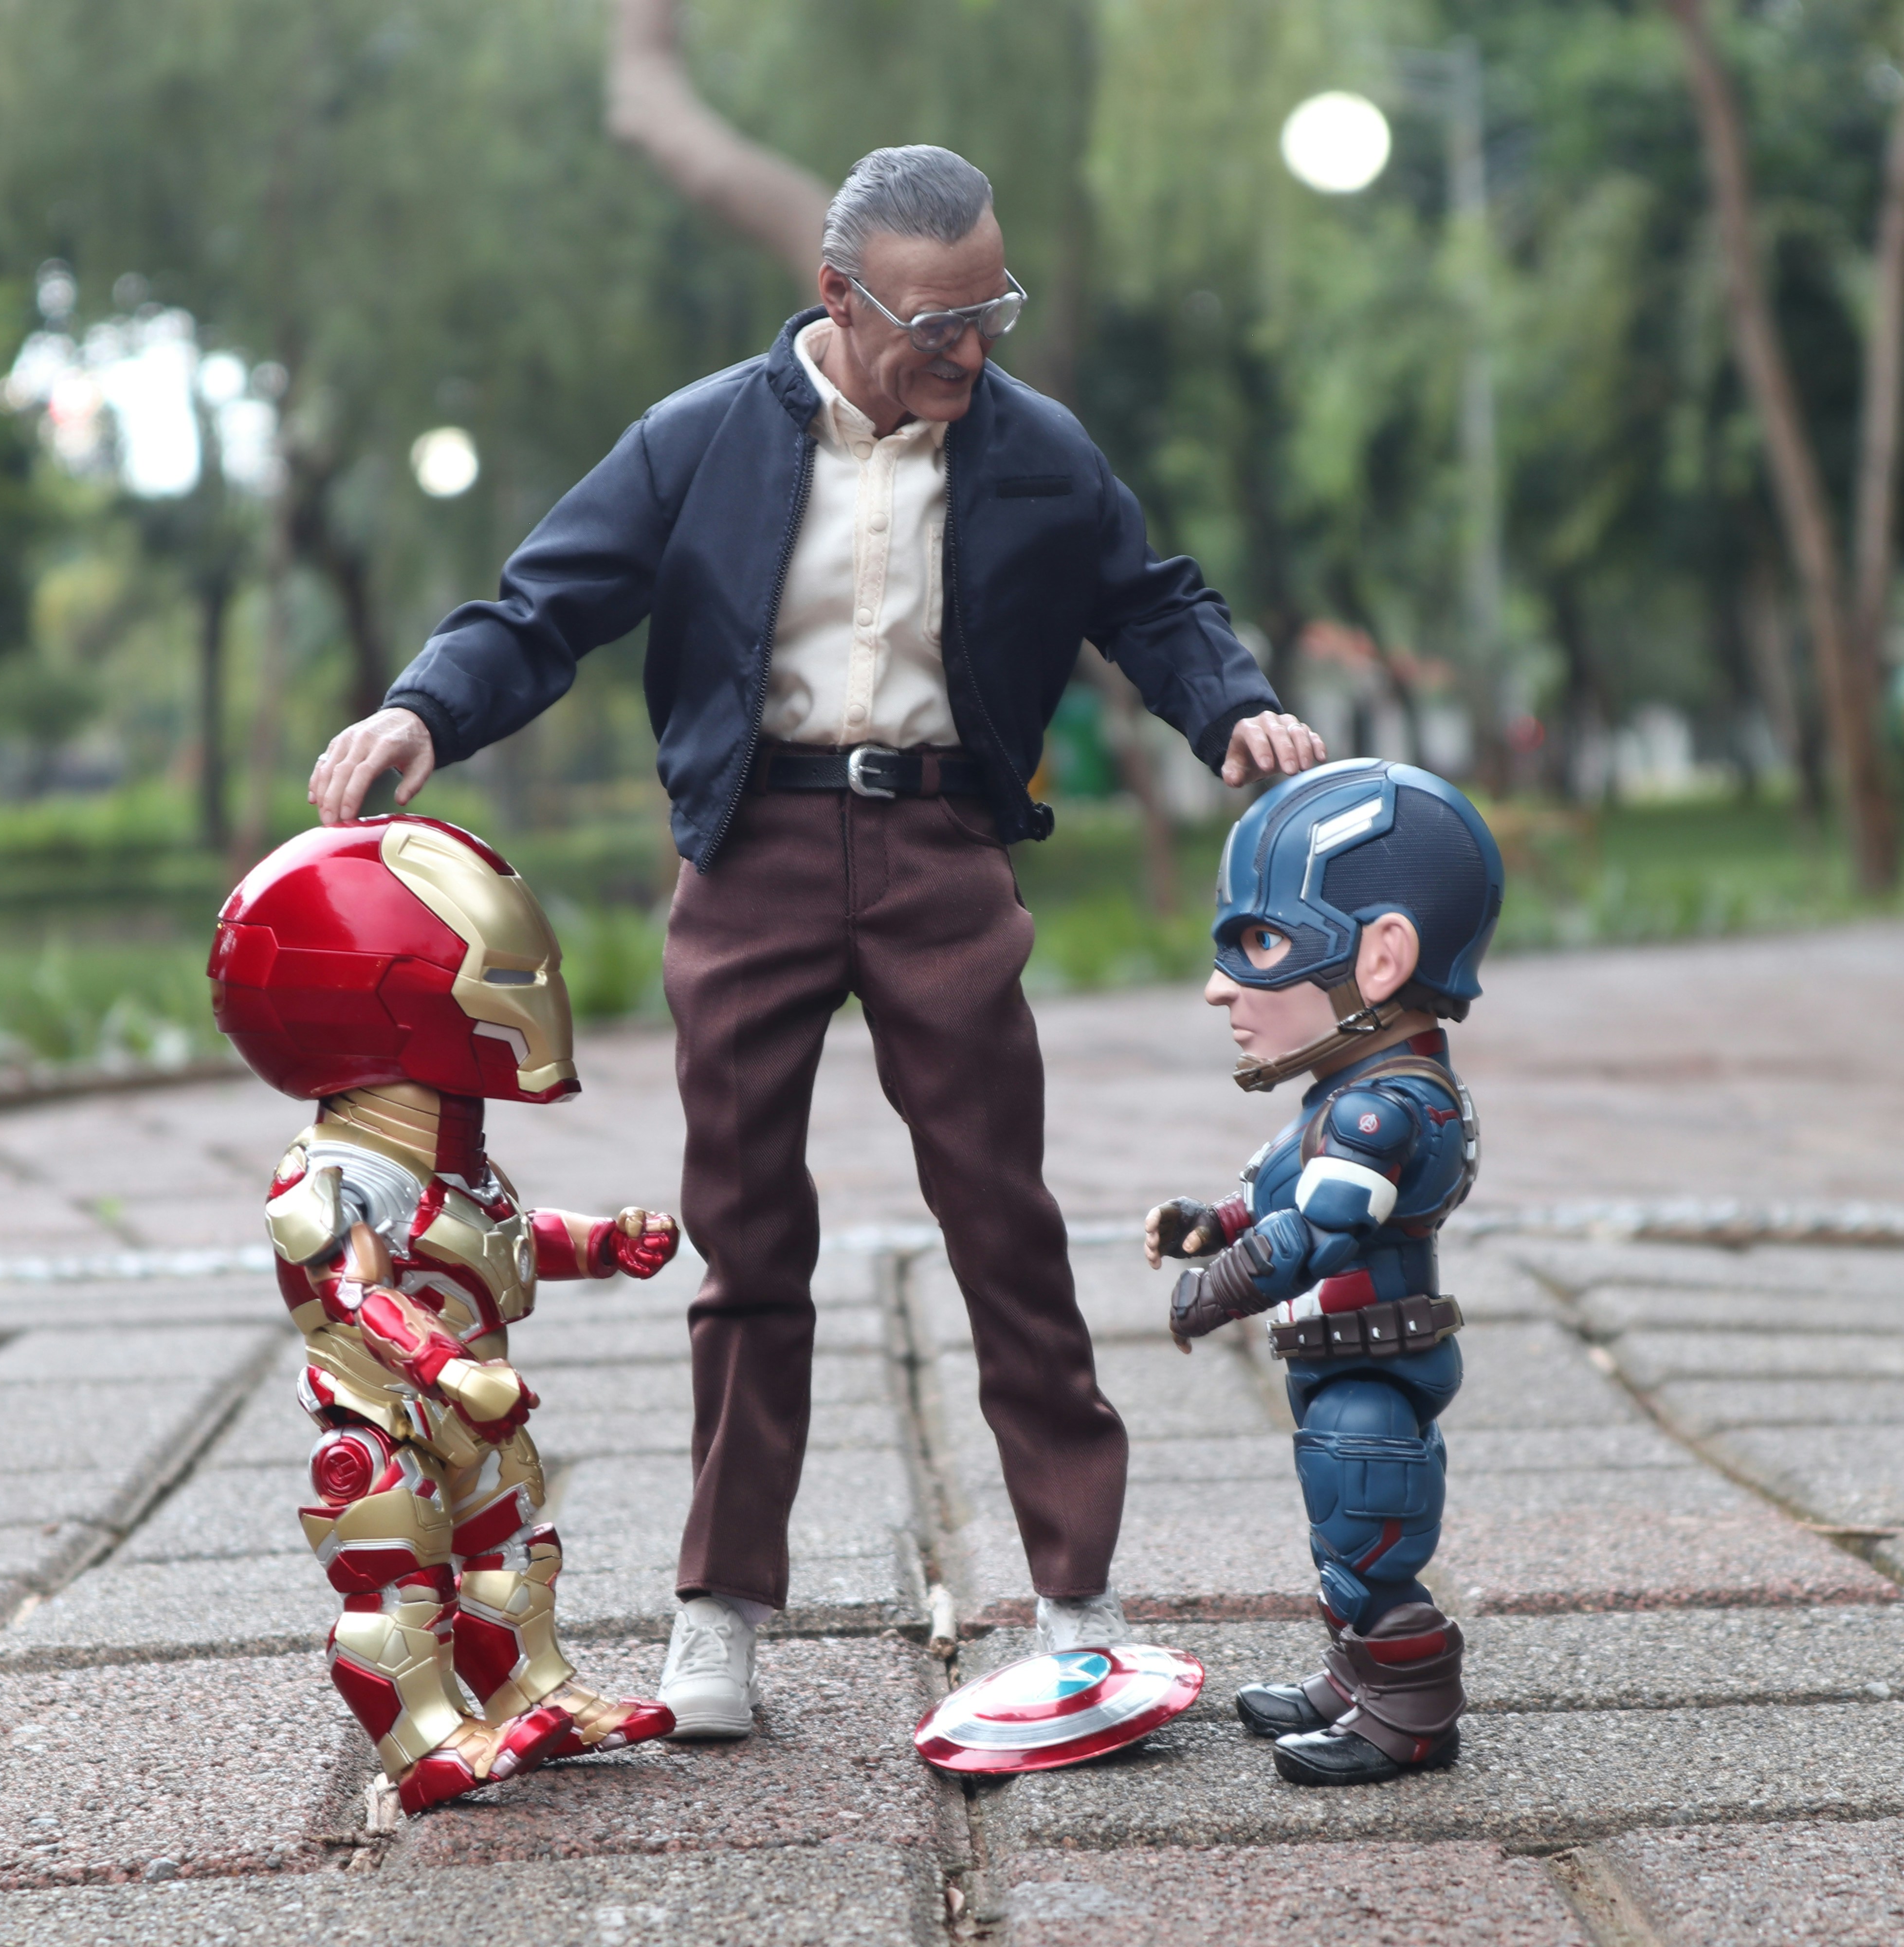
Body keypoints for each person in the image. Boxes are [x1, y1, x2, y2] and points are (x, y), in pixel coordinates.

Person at [305, 144, 1326, 1739]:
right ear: (839, 299)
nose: (972, 353)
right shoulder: (700, 440)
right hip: (755, 850)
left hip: (939, 848)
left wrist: (1239, 707)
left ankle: (1077, 1598)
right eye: (940, 327)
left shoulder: (1035, 448)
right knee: (747, 1234)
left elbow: (1156, 601)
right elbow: (543, 608)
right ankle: (720, 1607)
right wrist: (425, 711)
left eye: (994, 313)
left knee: (1004, 1220)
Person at [211, 814, 682, 1814]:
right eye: (506, 980)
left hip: (473, 1405)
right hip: (383, 1414)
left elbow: (496, 1232)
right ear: (370, 994)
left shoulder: (444, 1160)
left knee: (513, 1552)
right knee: (397, 1574)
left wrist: (601, 1242)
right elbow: (356, 1291)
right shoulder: (329, 1176)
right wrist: (451, 1370)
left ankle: (533, 1691)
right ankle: (426, 1739)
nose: (532, 1003)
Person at [1144, 759, 1503, 1786]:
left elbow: (1317, 1232)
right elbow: (1277, 1198)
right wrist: (1208, 1222)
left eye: (1258, 943)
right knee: (1339, 1528)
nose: (1223, 985)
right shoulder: (1346, 1092)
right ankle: (1353, 1679)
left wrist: (1216, 1286)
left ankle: (1410, 1711)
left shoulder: (1382, 1105)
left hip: (1376, 1364)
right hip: (1340, 1356)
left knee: (1366, 1534)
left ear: (1381, 956)